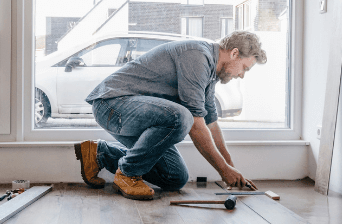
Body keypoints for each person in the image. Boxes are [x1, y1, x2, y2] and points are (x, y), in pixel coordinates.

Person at [74, 31, 267, 200]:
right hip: (112, 106)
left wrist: (231, 169)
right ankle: (127, 174)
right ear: (234, 53)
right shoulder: (197, 56)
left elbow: (211, 124)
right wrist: (223, 170)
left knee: (175, 177)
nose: (242, 75)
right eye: (245, 68)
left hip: (131, 115)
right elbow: (195, 125)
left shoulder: (210, 74)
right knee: (182, 117)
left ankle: (100, 153)